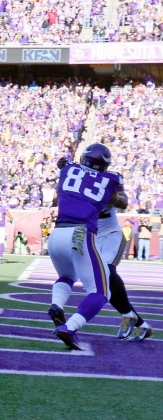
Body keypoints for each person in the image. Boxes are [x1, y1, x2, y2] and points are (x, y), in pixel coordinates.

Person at [47, 146, 127, 350]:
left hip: (56, 235)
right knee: (101, 293)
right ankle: (70, 327)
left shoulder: (66, 169)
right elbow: (120, 200)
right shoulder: (112, 179)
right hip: (80, 234)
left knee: (66, 277)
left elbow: (64, 185)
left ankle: (57, 305)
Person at [95, 204, 154, 342]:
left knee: (108, 271)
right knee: (102, 287)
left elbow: (123, 201)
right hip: (94, 237)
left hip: (112, 236)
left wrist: (110, 196)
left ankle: (128, 314)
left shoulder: (106, 182)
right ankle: (142, 325)